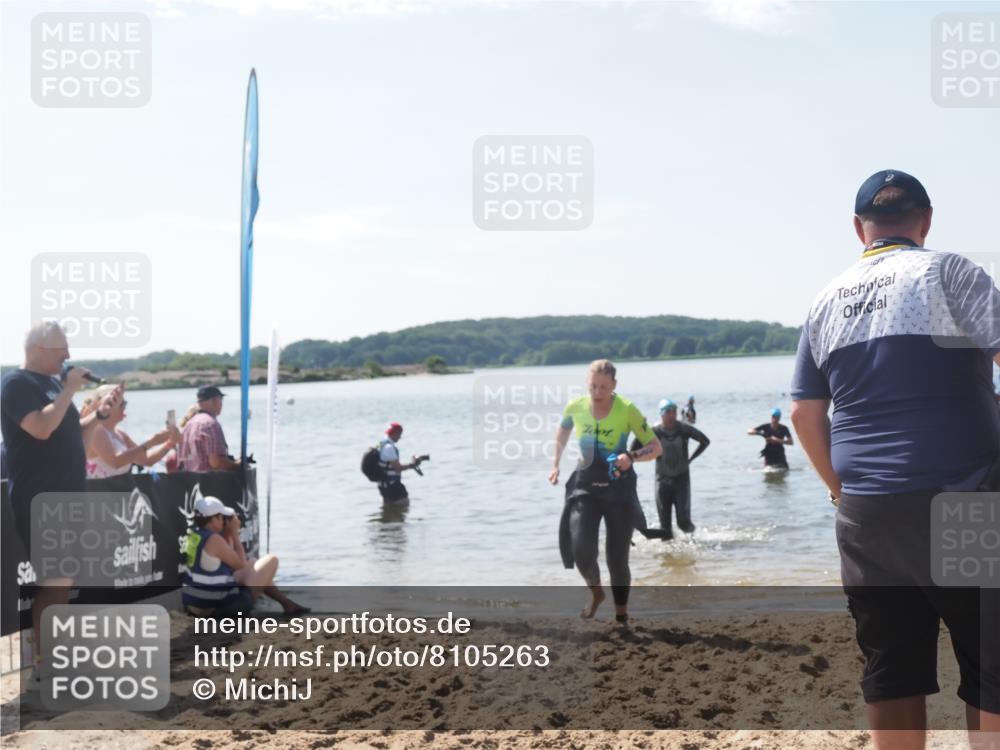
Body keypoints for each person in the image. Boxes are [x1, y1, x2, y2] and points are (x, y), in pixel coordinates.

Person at [790, 169, 1000, 748]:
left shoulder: (826, 300)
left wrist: (840, 492)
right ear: (925, 221)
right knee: (990, 668)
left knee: (891, 672)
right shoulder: (947, 272)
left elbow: (806, 417)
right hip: (963, 501)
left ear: (861, 229)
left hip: (866, 516)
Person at [0, 322, 121, 684]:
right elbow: (40, 427)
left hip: (67, 494)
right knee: (53, 583)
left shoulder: (54, 387)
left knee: (62, 582)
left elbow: (73, 439)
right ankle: (46, 663)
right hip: (41, 497)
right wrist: (69, 390)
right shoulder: (16, 384)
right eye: (61, 350)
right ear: (38, 348)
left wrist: (97, 417)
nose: (68, 356)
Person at [550, 359, 662, 623]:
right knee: (580, 548)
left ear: (614, 385)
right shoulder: (575, 407)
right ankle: (596, 593)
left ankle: (621, 614)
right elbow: (562, 431)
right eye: (593, 386)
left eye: (603, 387)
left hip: (618, 489)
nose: (597, 393)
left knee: (617, 558)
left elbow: (656, 447)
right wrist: (555, 463)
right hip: (585, 484)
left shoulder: (627, 410)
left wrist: (631, 456)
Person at [181, 496, 308, 616]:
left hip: (195, 605)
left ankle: (286, 603)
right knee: (271, 560)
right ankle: (250, 610)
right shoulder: (214, 540)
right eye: (221, 517)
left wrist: (228, 534)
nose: (223, 520)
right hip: (214, 609)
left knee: (253, 563)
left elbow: (227, 565)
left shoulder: (194, 534)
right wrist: (235, 534)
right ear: (213, 519)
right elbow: (240, 565)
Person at [633, 398, 710, 540]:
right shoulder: (654, 432)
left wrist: (691, 459)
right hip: (661, 481)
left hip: (681, 480)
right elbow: (633, 451)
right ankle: (668, 558)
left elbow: (705, 441)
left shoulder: (683, 429)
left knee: (684, 523)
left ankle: (695, 543)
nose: (672, 415)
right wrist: (640, 430)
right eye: (668, 412)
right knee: (665, 531)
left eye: (674, 411)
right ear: (661, 414)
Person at [82, 384, 181, 477]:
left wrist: (169, 443)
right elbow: (116, 461)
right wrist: (152, 442)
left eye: (125, 403)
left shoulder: (120, 434)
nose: (124, 407)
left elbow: (146, 460)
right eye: (121, 403)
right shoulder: (96, 430)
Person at [177, 386, 240, 472]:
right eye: (220, 399)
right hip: (209, 482)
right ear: (213, 400)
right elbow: (216, 462)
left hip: (189, 482)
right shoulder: (211, 424)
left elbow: (182, 461)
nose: (221, 403)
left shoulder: (188, 425)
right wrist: (237, 464)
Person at [376, 423, 425, 504]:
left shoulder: (380, 445)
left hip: (382, 485)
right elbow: (397, 468)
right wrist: (412, 465)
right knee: (404, 504)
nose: (400, 437)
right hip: (392, 485)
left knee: (389, 507)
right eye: (399, 434)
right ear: (395, 433)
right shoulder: (389, 448)